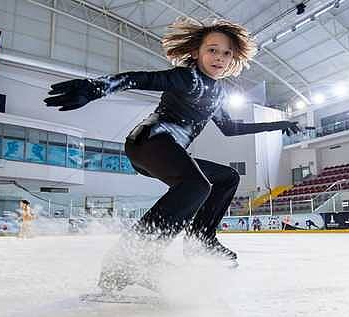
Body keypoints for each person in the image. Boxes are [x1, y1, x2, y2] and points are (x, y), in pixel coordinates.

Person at [45, 17, 301, 292]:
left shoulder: (217, 92)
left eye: (226, 53)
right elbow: (139, 78)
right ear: (196, 52)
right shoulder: (186, 77)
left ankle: (200, 240)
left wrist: (279, 124)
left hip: (169, 151)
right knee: (197, 185)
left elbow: (231, 128)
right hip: (149, 141)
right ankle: (128, 259)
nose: (220, 58)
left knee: (226, 178)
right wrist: (97, 87)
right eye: (212, 50)